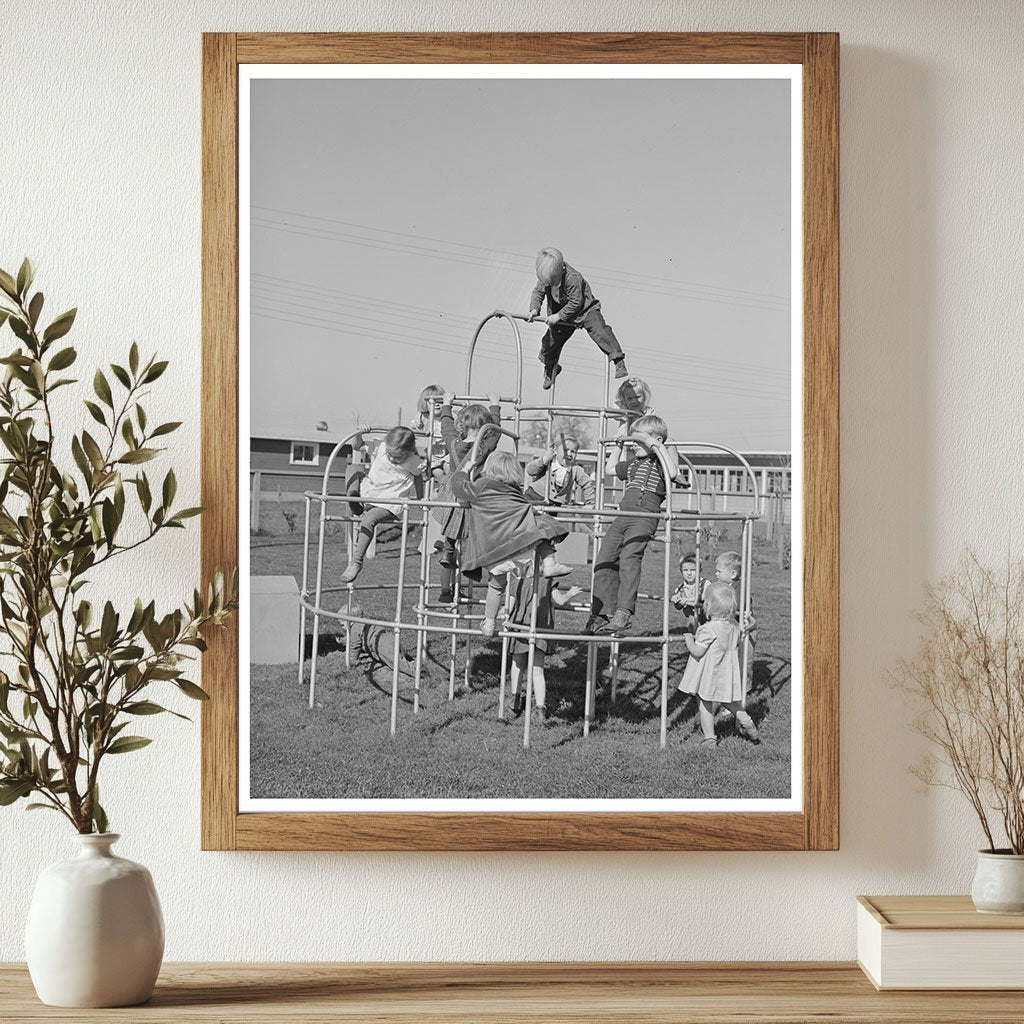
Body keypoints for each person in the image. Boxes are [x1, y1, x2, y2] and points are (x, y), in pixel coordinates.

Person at [450, 449, 573, 638]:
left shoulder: (482, 485)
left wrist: (464, 471)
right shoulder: (515, 492)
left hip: (494, 550)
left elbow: (459, 488)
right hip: (519, 549)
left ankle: (489, 622)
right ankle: (549, 562)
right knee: (541, 525)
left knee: (496, 587)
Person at [584, 414, 681, 636]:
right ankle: (600, 613)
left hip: (645, 515)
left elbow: (673, 472)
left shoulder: (661, 463)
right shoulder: (633, 464)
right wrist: (618, 447)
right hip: (623, 515)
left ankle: (623, 612)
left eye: (638, 442)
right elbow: (610, 469)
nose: (633, 445)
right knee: (604, 558)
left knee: (629, 559)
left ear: (654, 440)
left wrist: (657, 446)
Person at [432, 392, 501, 603]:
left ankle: (447, 556)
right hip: (472, 493)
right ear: (485, 429)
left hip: (452, 494)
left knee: (451, 537)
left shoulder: (454, 443)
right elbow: (496, 433)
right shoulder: (484, 447)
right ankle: (473, 563)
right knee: (474, 532)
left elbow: (447, 428)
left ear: (464, 425)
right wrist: (495, 406)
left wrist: (446, 405)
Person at [527, 247, 629, 389]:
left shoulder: (572, 278)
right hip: (563, 314)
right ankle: (550, 367)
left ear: (561, 270)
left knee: (599, 330)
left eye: (553, 281)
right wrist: (534, 309)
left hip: (585, 310)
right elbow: (538, 292)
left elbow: (576, 302)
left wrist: (558, 316)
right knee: (549, 342)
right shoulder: (546, 278)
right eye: (547, 282)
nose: (550, 284)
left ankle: (617, 359)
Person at [677, 581, 760, 748]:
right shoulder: (734, 626)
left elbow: (698, 652)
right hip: (727, 670)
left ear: (708, 606)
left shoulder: (707, 629)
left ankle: (710, 738)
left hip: (710, 672)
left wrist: (688, 639)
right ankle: (746, 720)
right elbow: (747, 629)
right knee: (727, 700)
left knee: (704, 700)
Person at [340, 426, 425, 584]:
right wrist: (359, 432)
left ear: (408, 452)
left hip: (389, 503)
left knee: (369, 519)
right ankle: (355, 501)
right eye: (390, 455)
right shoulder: (381, 447)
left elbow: (419, 478)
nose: (392, 459)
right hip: (369, 493)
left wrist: (420, 498)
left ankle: (356, 562)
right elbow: (356, 446)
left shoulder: (414, 461)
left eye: (397, 457)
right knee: (352, 469)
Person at [507, 580, 584, 723]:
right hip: (537, 626)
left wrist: (504, 618)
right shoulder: (546, 580)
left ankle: (517, 701)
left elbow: (509, 606)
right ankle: (539, 708)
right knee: (535, 669)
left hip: (522, 625)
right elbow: (560, 601)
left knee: (518, 664)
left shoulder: (520, 579)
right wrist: (570, 594)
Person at [525, 435, 596, 508]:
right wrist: (544, 460)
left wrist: (590, 503)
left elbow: (587, 484)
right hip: (534, 496)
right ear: (555, 450)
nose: (569, 454)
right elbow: (530, 471)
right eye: (565, 450)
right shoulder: (549, 462)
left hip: (554, 503)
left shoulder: (575, 469)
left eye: (573, 451)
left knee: (549, 519)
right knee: (529, 516)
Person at [670, 552, 707, 633]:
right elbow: (678, 607)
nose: (689, 573)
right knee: (692, 628)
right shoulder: (681, 588)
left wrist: (687, 599)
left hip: (707, 616)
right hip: (692, 617)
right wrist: (677, 599)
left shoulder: (705, 583)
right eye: (685, 570)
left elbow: (705, 596)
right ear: (681, 571)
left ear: (700, 570)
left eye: (693, 570)